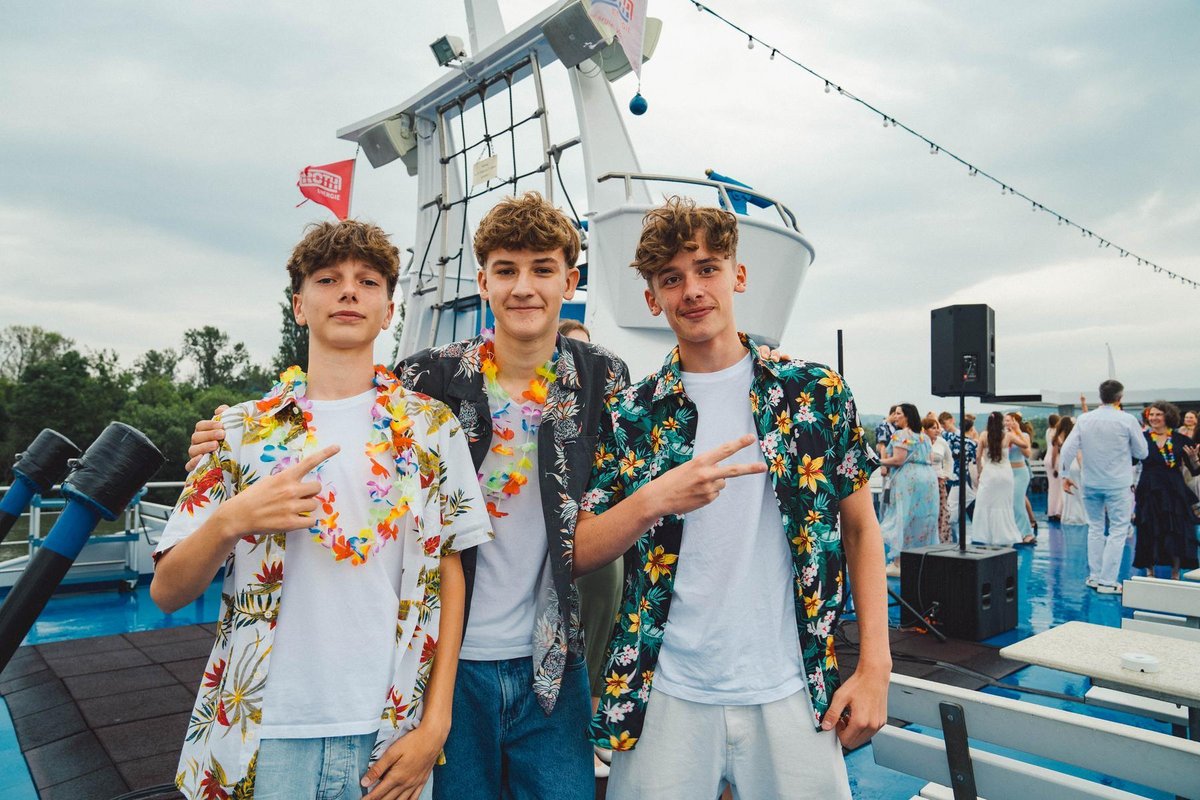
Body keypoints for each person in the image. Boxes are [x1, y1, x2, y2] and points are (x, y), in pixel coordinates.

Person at [188, 193, 632, 800]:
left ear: (570, 281)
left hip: (552, 656)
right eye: (506, 270)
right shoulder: (429, 379)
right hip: (443, 660)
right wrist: (229, 440)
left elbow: (617, 496)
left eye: (543, 269)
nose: (523, 287)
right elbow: (340, 403)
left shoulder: (603, 378)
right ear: (483, 282)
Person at [153, 220, 493, 800]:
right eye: (328, 279)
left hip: (391, 733)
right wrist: (232, 519)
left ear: (389, 311)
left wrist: (436, 723)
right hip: (261, 732)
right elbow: (166, 591)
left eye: (368, 281)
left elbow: (450, 572)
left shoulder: (433, 429)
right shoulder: (238, 430)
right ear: (299, 306)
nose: (349, 291)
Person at [573, 196, 889, 800]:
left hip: (793, 688)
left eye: (707, 269)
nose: (692, 290)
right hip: (662, 692)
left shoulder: (814, 393)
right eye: (671, 278)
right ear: (652, 298)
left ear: (737, 275)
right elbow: (581, 549)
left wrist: (876, 664)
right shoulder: (630, 415)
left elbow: (860, 528)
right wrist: (654, 499)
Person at [558, 318, 623, 780]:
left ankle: (594, 721)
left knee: (601, 614)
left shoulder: (607, 406)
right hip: (558, 537)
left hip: (600, 529)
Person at [1059, 379, 1150, 594]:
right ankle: (1108, 581)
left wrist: (1064, 475)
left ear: (1100, 396)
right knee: (1118, 530)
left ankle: (1095, 576)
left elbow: (1067, 449)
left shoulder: (1084, 419)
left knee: (1095, 528)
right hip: (1118, 483)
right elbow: (1142, 452)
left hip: (1090, 482)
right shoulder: (1127, 420)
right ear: (1120, 398)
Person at [1132, 401, 1200, 580]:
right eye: (1151, 415)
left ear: (1167, 416)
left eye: (1158, 414)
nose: (1154, 418)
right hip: (1149, 487)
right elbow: (1131, 461)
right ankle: (1150, 572)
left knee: (1175, 528)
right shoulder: (1142, 439)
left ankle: (1175, 573)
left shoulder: (1181, 440)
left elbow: (1194, 471)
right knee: (1149, 527)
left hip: (1174, 489)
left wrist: (1195, 460)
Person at [970, 412, 1025, 546]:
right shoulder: (1008, 436)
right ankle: (1004, 535)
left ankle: (985, 536)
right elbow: (1025, 445)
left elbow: (978, 456)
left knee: (985, 504)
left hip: (989, 474)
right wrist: (1017, 430)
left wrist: (979, 472)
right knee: (1003, 505)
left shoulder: (984, 435)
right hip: (1005, 475)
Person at [939, 411, 977, 541]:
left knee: (953, 509)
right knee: (962, 503)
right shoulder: (971, 443)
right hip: (957, 477)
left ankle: (952, 536)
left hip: (955, 477)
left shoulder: (951, 437)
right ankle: (954, 536)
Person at [1004, 412, 1036, 543]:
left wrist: (1017, 434)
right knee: (1008, 503)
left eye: (1009, 420)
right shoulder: (1004, 436)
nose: (1006, 423)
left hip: (1020, 473)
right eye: (1005, 420)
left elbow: (1027, 454)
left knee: (1017, 502)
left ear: (1015, 422)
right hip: (1007, 473)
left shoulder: (1024, 436)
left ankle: (1027, 533)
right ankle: (1013, 531)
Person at [925, 415, 953, 543]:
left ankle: (941, 538)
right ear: (925, 430)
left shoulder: (942, 442)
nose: (936, 430)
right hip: (925, 479)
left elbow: (949, 459)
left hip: (938, 478)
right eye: (932, 428)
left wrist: (946, 474)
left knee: (941, 510)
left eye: (937, 428)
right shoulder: (922, 441)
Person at [1056, 418, 1088, 525]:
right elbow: (1079, 455)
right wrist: (1083, 468)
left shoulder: (1061, 437)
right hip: (1075, 466)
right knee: (1078, 491)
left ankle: (1070, 515)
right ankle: (1081, 515)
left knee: (1069, 493)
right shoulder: (1076, 438)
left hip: (1066, 465)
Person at [1045, 414, 1063, 522]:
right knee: (1059, 487)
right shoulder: (1056, 433)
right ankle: (1057, 511)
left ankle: (1051, 510)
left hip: (1047, 458)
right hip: (1054, 459)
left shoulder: (1048, 431)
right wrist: (1054, 466)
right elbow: (1055, 450)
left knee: (1052, 486)